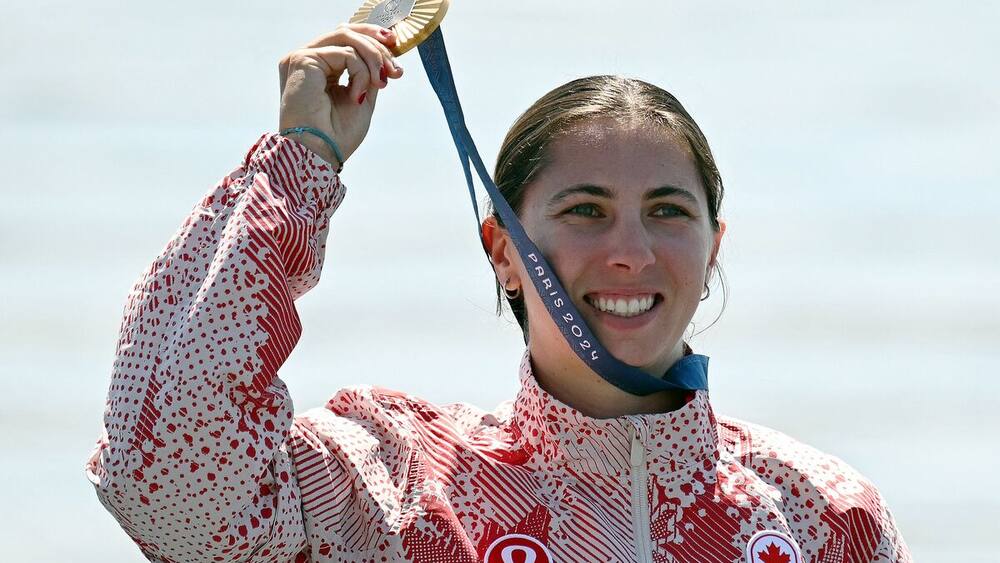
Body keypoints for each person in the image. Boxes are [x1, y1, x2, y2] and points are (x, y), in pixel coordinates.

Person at [85, 23, 911, 563]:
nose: (630, 251)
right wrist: (301, 163)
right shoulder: (398, 487)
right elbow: (167, 476)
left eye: (667, 212)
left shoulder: (823, 516)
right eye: (585, 211)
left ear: (712, 247)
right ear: (502, 252)